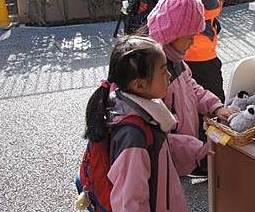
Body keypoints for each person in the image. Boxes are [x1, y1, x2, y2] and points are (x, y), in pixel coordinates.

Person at [83, 35, 208, 212]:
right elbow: (131, 202)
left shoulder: (139, 111)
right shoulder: (133, 138)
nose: (169, 75)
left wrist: (198, 149)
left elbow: (159, 146)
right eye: (163, 70)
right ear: (139, 85)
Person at [144, 0, 238, 177]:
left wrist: (216, 107)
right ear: (171, 33)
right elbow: (154, 133)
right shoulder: (154, 73)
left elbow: (193, 89)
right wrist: (193, 147)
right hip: (163, 158)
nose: (192, 42)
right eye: (190, 37)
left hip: (181, 154)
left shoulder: (177, 61)